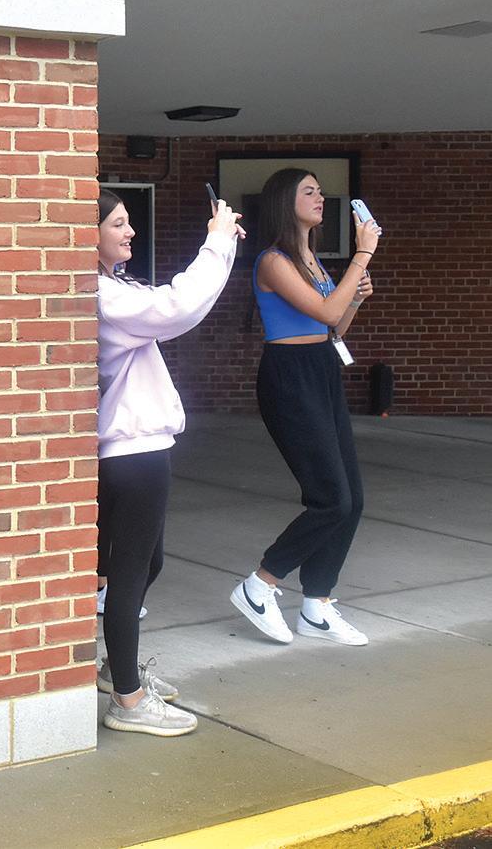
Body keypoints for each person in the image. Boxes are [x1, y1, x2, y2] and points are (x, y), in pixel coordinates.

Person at [96, 188, 243, 737]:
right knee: (129, 573)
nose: (129, 232)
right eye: (117, 224)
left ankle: (117, 669)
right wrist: (217, 242)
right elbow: (179, 306)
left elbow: (181, 303)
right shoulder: (104, 296)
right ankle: (128, 699)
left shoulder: (111, 287)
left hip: (141, 450)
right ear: (87, 235)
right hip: (132, 453)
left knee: (145, 565)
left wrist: (221, 245)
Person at [230, 168, 377, 646]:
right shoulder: (273, 261)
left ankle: (317, 606)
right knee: (331, 498)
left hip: (321, 367)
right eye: (308, 191)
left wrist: (354, 298)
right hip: (289, 378)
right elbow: (326, 311)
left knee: (351, 499)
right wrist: (362, 255)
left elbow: (333, 326)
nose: (320, 198)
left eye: (320, 191)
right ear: (284, 201)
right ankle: (260, 585)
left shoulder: (311, 259)